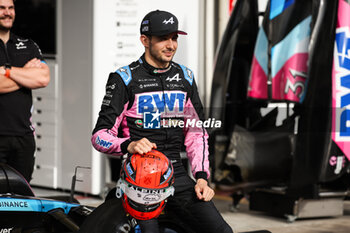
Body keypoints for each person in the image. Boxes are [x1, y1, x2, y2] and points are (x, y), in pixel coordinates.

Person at [91, 10, 233, 233]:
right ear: (145, 40)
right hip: (139, 179)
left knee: (222, 231)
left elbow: (197, 133)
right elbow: (99, 136)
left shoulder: (185, 76)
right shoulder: (124, 79)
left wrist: (202, 177)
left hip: (176, 173)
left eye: (174, 38)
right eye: (163, 38)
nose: (171, 45)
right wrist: (129, 144)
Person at [0, 0, 50, 182]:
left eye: (10, 8)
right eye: (2, 8)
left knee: (22, 198)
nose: (7, 12)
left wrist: (7, 71)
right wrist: (26, 74)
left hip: (23, 137)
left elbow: (43, 79)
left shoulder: (28, 45)